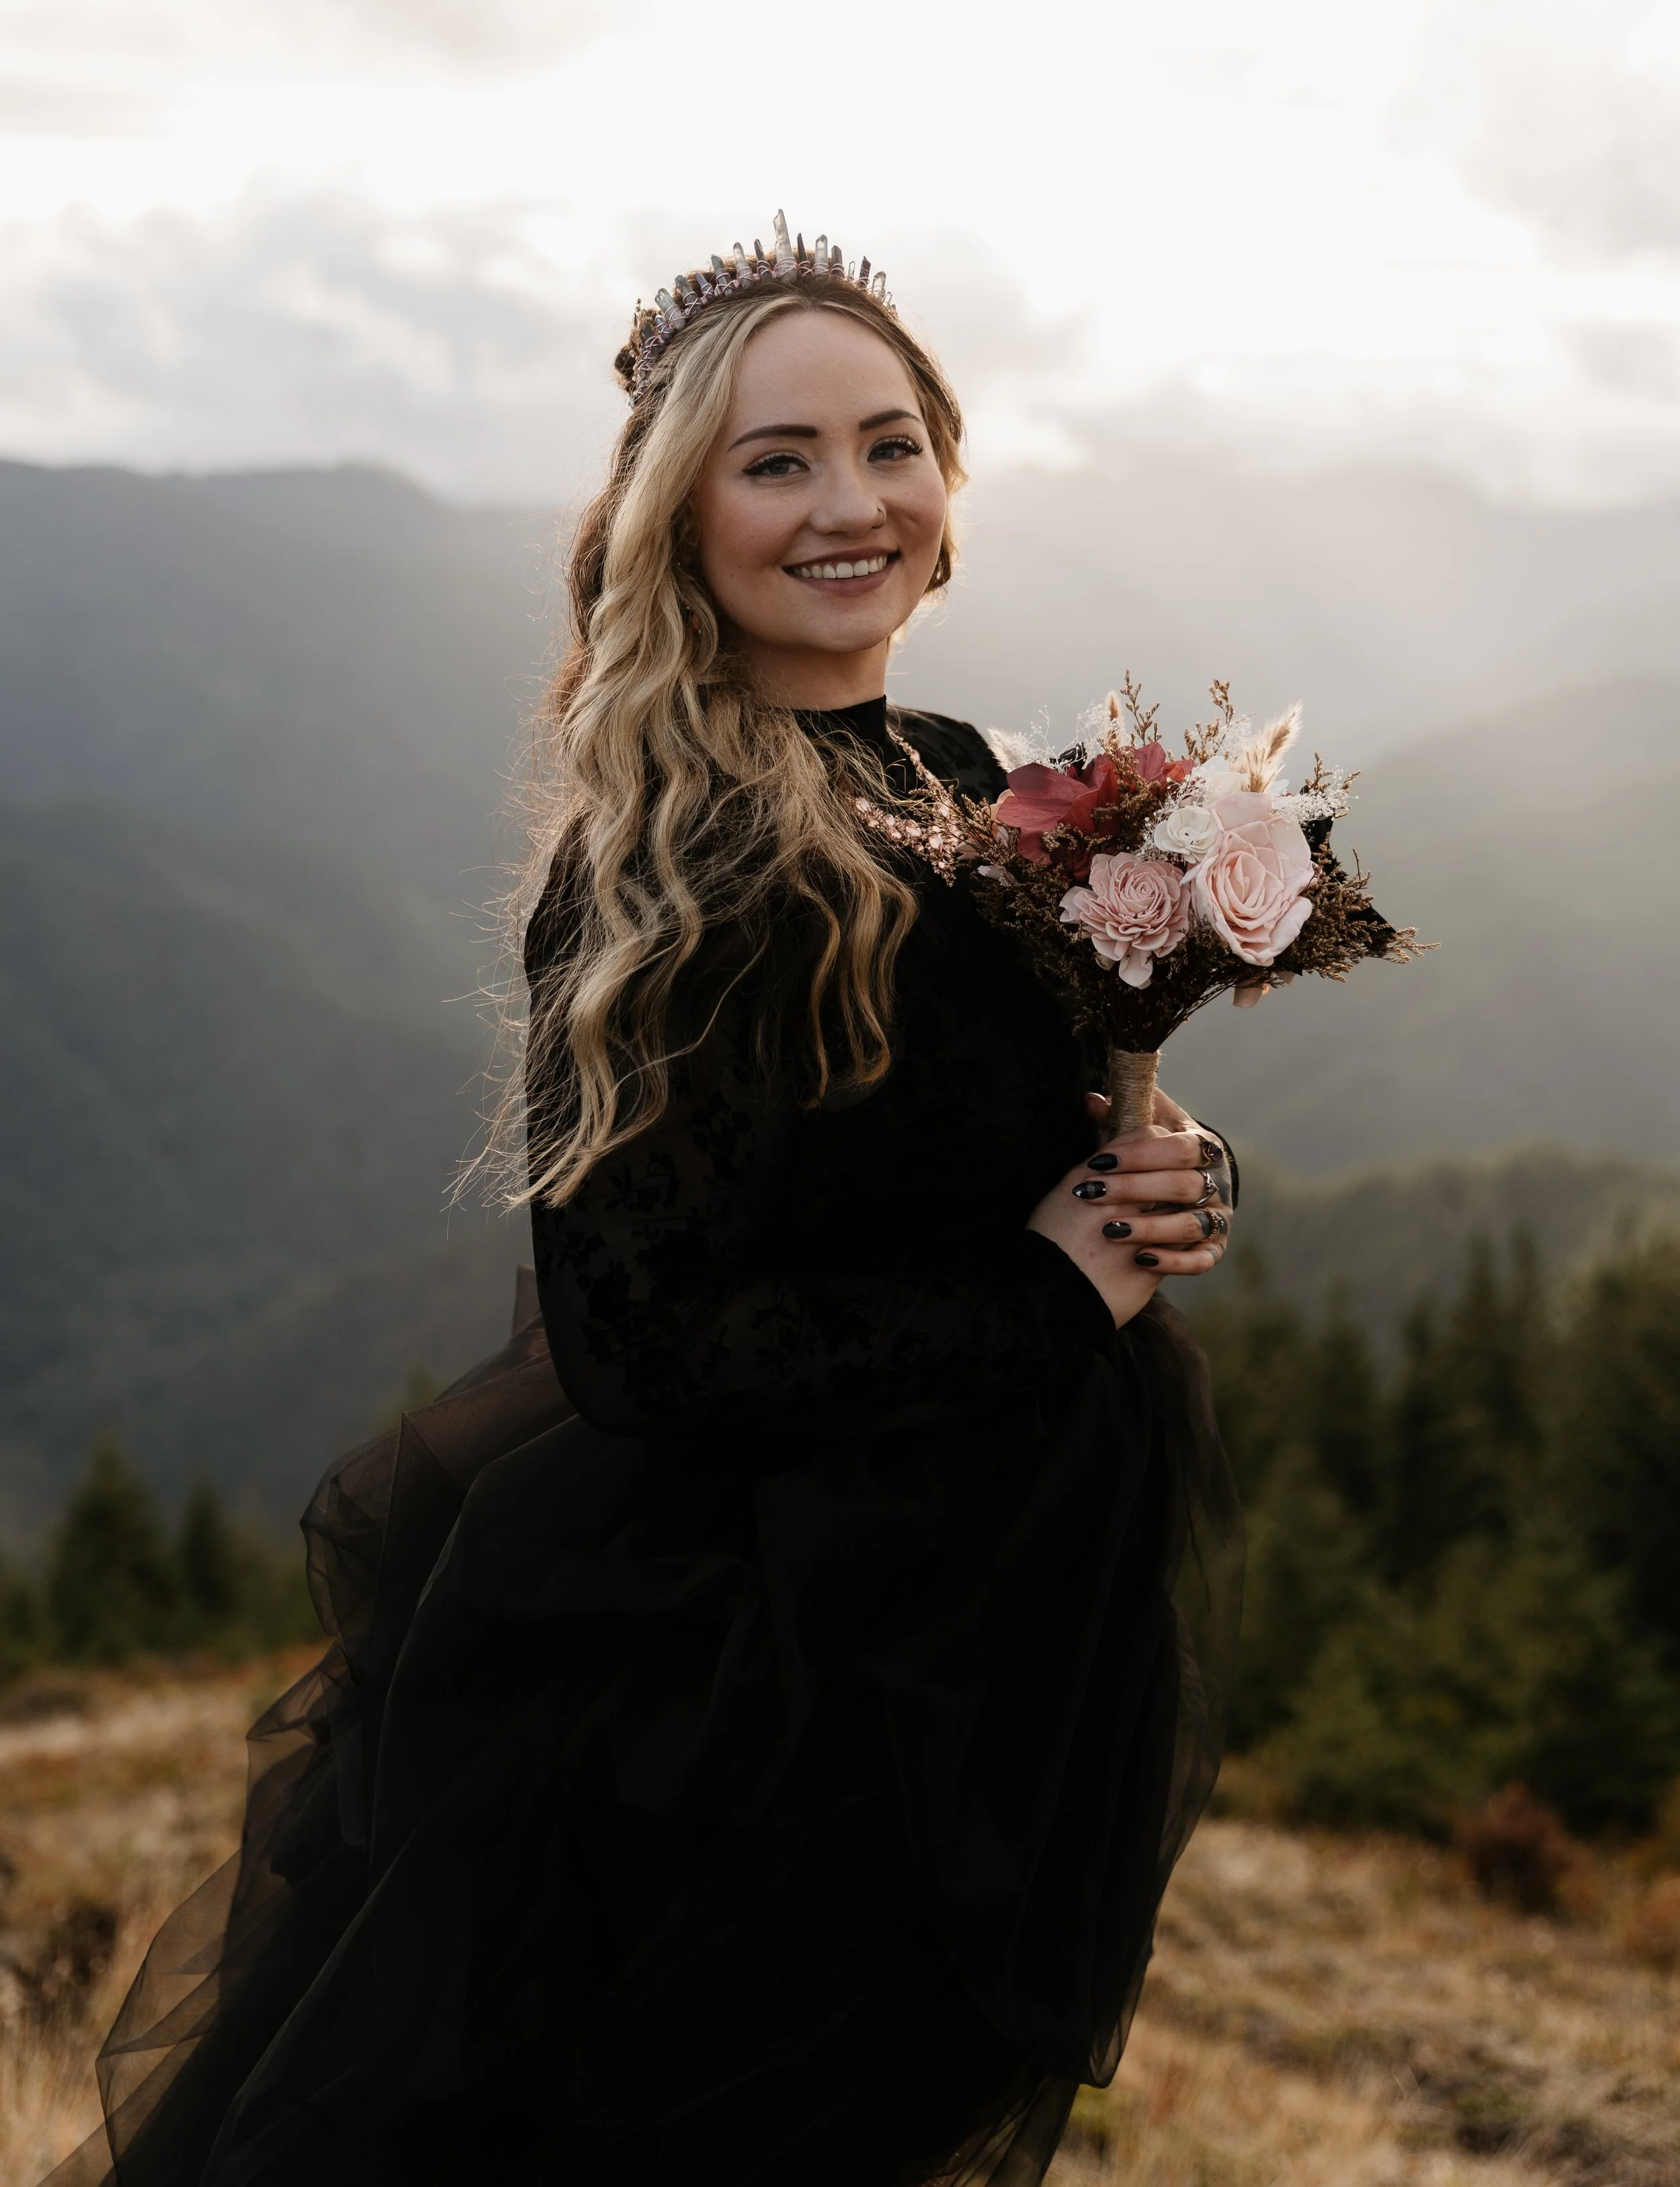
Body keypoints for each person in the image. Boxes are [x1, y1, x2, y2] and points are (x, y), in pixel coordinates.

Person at [54, 218, 1243, 2187]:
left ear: (949, 479)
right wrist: (1047, 1289)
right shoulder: (681, 863)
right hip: (756, 1666)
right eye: (775, 460)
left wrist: (1161, 1158)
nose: (846, 502)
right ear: (674, 516)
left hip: (976, 1588)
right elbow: (646, 1339)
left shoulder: (955, 773)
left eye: (888, 443)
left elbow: (949, 1126)